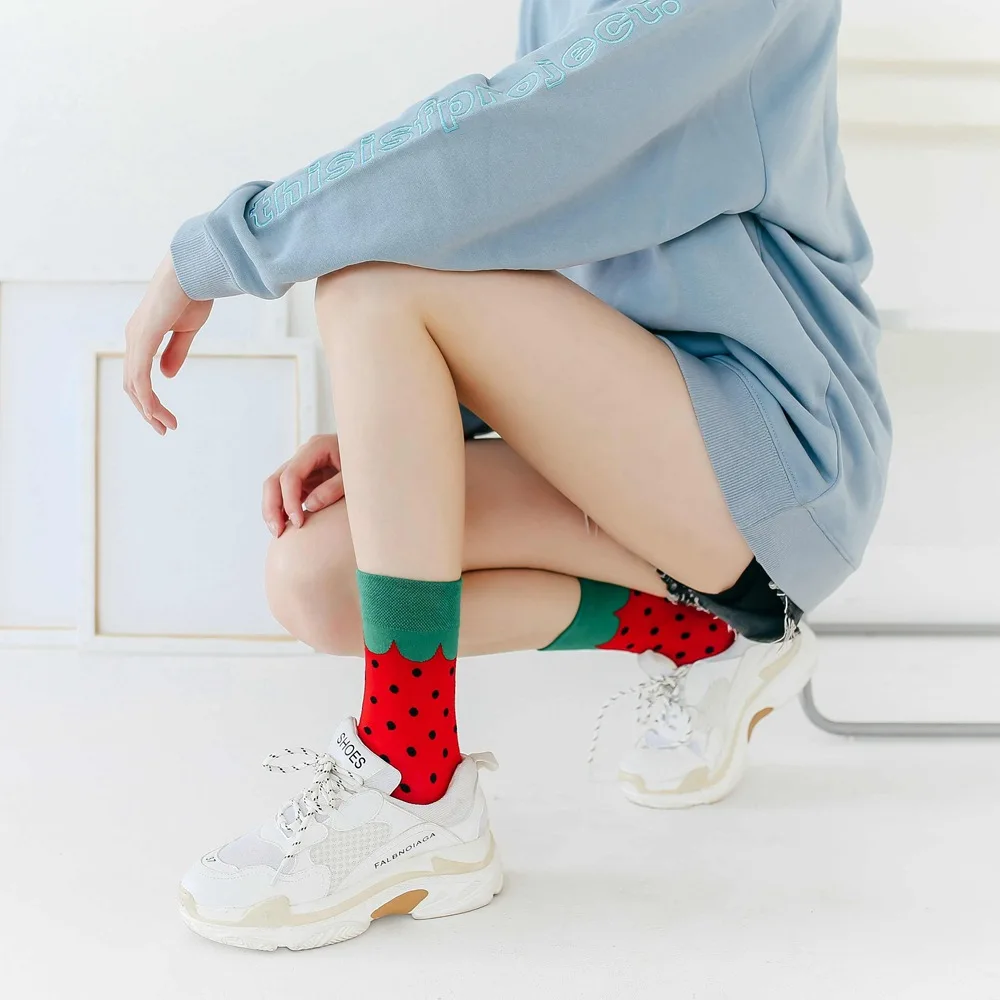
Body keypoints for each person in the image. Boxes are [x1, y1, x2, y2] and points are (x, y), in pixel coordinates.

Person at [123, 0, 890, 952]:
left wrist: (223, 249)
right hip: (645, 439)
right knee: (318, 582)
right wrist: (412, 425)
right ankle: (706, 635)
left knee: (369, 282)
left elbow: (508, 147)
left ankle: (415, 783)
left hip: (779, 455)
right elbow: (551, 238)